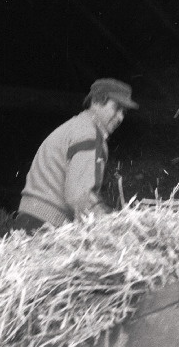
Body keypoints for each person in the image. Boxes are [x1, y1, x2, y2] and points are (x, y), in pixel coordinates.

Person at [13, 78, 138, 233]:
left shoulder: (75, 126)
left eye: (124, 112)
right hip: (46, 226)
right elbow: (79, 196)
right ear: (97, 101)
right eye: (117, 108)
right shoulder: (89, 134)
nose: (120, 117)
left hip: (29, 219)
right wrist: (115, 226)